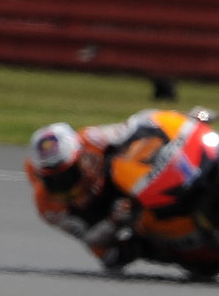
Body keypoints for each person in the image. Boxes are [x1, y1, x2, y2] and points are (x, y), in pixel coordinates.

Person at [25, 115, 148, 271]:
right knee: (110, 257)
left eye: (67, 175)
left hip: (125, 180)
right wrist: (113, 220)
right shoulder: (48, 206)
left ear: (80, 157)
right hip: (103, 214)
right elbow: (89, 238)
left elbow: (138, 127)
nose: (63, 185)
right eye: (52, 181)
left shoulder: (92, 138)